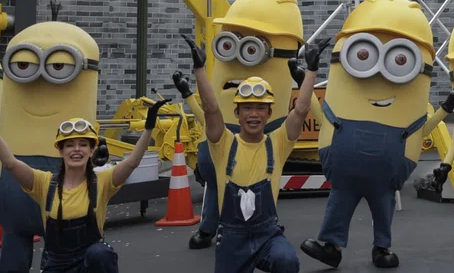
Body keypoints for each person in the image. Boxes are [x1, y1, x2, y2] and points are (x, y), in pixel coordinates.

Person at [182, 33, 329, 273]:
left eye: (260, 108)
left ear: (269, 114)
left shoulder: (278, 143)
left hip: (267, 235)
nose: (254, 114)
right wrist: (199, 69)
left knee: (286, 260)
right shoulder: (223, 145)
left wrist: (312, 70)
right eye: (247, 108)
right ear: (237, 113)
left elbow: (301, 110)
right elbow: (211, 110)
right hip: (231, 239)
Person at [0, 99, 166, 273]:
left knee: (100, 253)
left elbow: (132, 162)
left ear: (91, 150)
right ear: (60, 151)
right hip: (57, 265)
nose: (76, 150)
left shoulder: (102, 182)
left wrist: (149, 127)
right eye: (70, 145)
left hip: (89, 264)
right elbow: (11, 163)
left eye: (83, 145)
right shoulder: (44, 184)